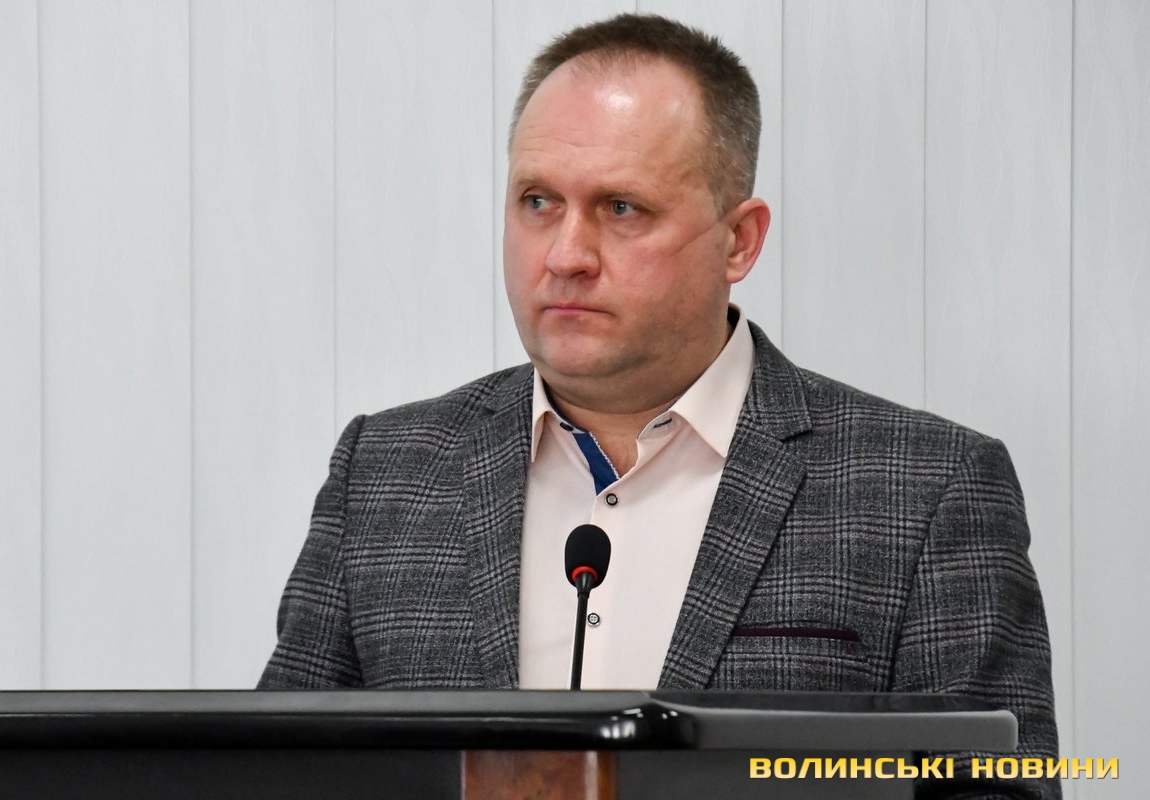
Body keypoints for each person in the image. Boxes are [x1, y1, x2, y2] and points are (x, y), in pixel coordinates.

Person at [260, 13, 1058, 798]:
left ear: (739, 241)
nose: (566, 256)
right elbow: (272, 775)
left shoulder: (927, 490)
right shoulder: (385, 472)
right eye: (537, 202)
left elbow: (997, 791)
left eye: (621, 208)